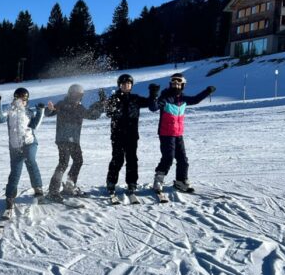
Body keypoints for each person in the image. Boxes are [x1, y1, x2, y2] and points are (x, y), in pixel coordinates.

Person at [151, 73, 215, 196]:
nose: (176, 85)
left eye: (178, 84)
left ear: (183, 85)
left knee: (183, 160)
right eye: (174, 83)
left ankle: (180, 181)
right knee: (168, 158)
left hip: (178, 134)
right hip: (166, 134)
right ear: (170, 84)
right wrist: (153, 94)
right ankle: (158, 180)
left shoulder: (183, 99)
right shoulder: (165, 98)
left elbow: (195, 100)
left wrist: (207, 91)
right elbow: (153, 107)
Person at [44, 84, 103, 200]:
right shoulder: (62, 104)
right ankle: (53, 191)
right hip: (63, 139)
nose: (76, 97)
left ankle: (69, 186)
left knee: (78, 161)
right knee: (63, 163)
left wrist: (101, 104)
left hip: (74, 140)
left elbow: (92, 115)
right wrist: (49, 109)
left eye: (79, 95)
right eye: (74, 95)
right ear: (70, 94)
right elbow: (49, 112)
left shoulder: (80, 108)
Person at [103, 74, 157, 202]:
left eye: (128, 83)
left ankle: (132, 183)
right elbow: (108, 112)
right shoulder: (114, 98)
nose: (126, 86)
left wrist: (153, 93)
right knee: (117, 159)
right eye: (123, 84)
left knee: (132, 159)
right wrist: (105, 102)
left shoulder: (135, 98)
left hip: (132, 135)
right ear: (119, 85)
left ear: (131, 85)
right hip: (117, 135)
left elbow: (150, 104)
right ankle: (111, 182)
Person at [0, 87, 46, 218]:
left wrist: (40, 111)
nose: (21, 102)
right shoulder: (10, 111)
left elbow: (34, 125)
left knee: (30, 160)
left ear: (27, 101)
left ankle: (38, 189)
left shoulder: (29, 112)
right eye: (18, 99)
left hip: (30, 143)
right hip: (15, 147)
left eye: (24, 100)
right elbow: (0, 119)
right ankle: (10, 198)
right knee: (15, 172)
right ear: (14, 99)